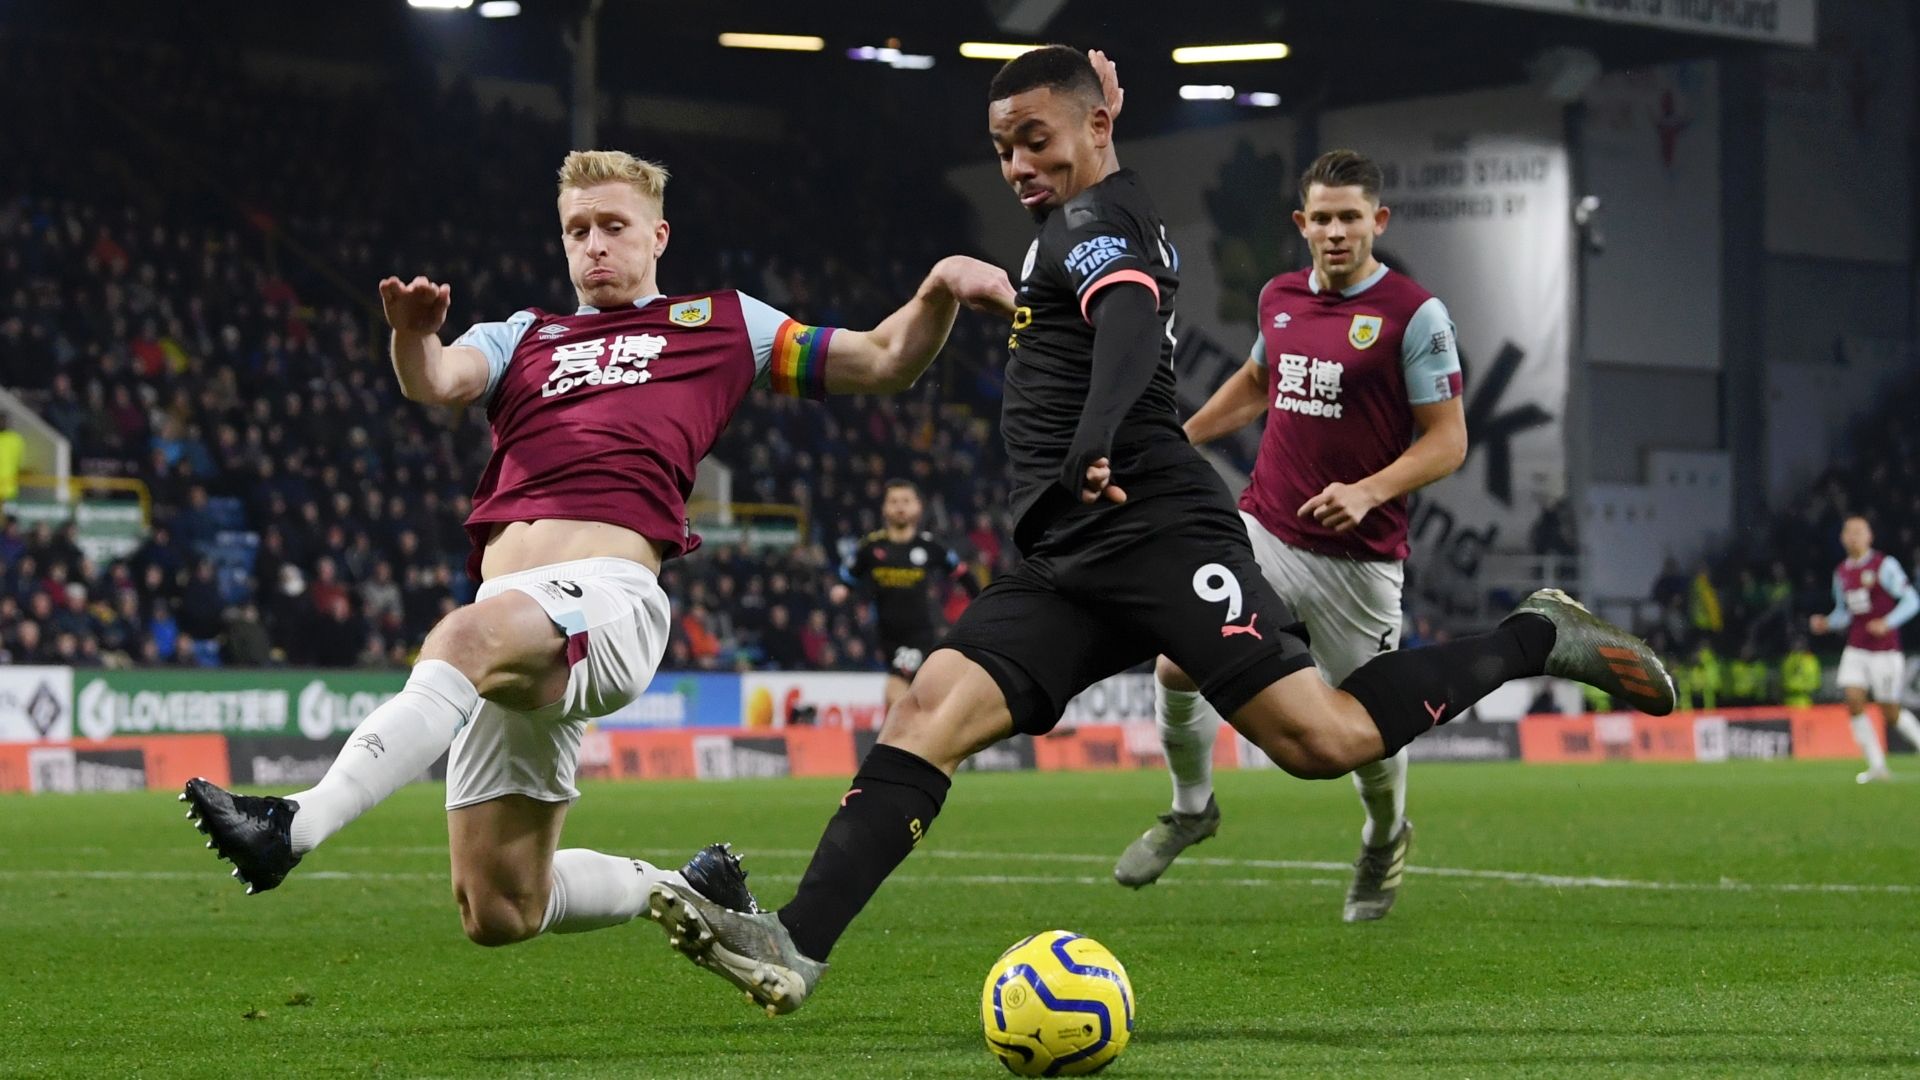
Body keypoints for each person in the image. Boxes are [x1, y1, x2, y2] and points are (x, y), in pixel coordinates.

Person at [639, 46, 1673, 1016]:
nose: (1017, 164)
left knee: (1321, 742)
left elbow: (1128, 319)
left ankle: (1537, 634)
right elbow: (1117, 278)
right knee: (929, 713)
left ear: (1093, 129)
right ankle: (797, 943)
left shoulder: (1095, 220)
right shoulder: (1090, 207)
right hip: (1066, 553)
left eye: (1035, 139)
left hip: (1155, 532)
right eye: (1002, 147)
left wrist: (1096, 438)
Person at [180, 149, 1016, 951]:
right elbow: (434, 380)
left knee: (460, 637)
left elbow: (884, 359)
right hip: (514, 622)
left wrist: (939, 286)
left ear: (658, 236)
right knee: (501, 907)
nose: (594, 244)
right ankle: (685, 888)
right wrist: (411, 337)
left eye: (613, 226)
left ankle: (294, 824)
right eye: (577, 230)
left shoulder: (725, 323)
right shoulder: (522, 335)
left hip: (607, 599)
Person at [1112, 148, 1468, 923]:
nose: (1336, 232)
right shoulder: (1278, 298)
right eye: (1323, 218)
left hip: (1358, 564)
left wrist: (1370, 490)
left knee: (1364, 731)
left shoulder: (1415, 315)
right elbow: (1257, 383)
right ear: (1302, 223)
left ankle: (1385, 835)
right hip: (1264, 529)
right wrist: (1182, 439)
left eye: (1351, 218)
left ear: (1378, 221)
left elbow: (1448, 441)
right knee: (1178, 661)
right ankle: (1192, 808)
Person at [831, 478, 981, 711]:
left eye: (906, 501)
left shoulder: (930, 546)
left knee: (895, 693)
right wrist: (841, 590)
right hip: (886, 639)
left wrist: (983, 603)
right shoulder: (871, 547)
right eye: (894, 501)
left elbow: (963, 574)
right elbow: (848, 577)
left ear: (918, 507)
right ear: (884, 508)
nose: (900, 506)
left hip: (919, 637)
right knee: (916, 703)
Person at [1808, 515, 1920, 783]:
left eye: (1859, 531)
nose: (1854, 537)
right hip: (1856, 648)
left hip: (1885, 650)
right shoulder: (1841, 573)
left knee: (1890, 712)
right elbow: (1844, 613)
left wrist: (1888, 622)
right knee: (1853, 700)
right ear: (1842, 538)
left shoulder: (1884, 565)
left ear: (1870, 536)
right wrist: (1827, 622)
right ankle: (1877, 765)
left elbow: (1912, 601)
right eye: (1849, 532)